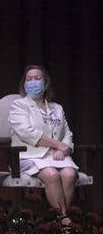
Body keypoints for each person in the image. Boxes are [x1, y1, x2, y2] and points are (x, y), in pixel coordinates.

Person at [10, 64, 81, 223]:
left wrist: (63, 150)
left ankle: (59, 221)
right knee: (51, 175)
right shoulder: (19, 105)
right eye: (29, 79)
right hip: (28, 155)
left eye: (37, 78)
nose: (33, 82)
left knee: (69, 174)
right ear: (24, 84)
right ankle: (65, 220)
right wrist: (57, 145)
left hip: (55, 156)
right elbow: (27, 133)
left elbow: (67, 133)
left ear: (45, 83)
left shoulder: (57, 108)